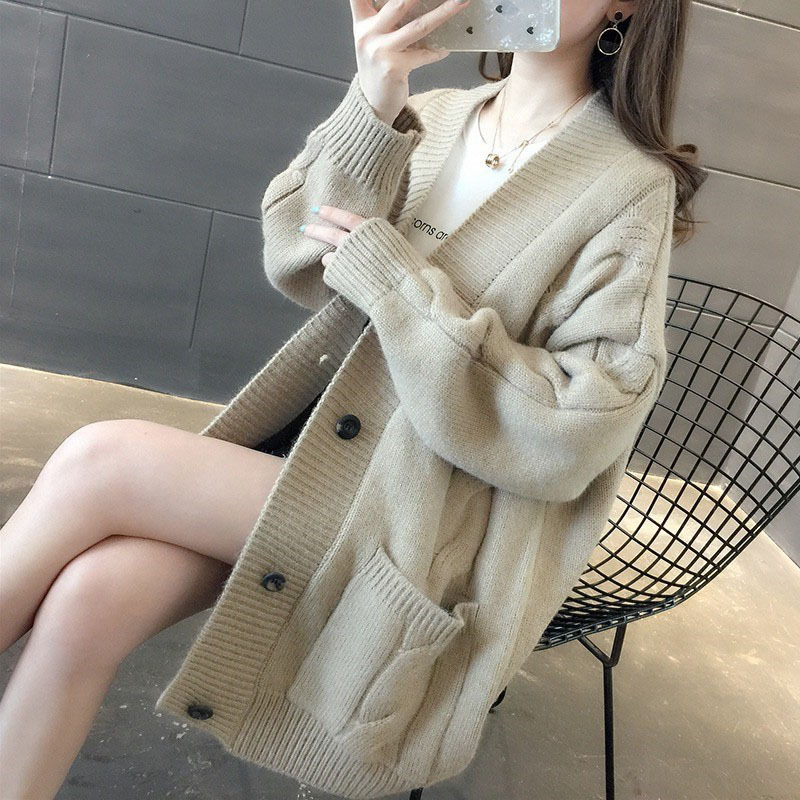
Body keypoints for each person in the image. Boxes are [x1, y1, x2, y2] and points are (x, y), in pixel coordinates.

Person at [0, 1, 706, 797]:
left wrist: (398, 281)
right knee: (90, 602)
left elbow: (576, 428)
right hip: (315, 456)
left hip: (424, 508)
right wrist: (373, 97)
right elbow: (296, 254)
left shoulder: (627, 186)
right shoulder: (433, 117)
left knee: (101, 461)